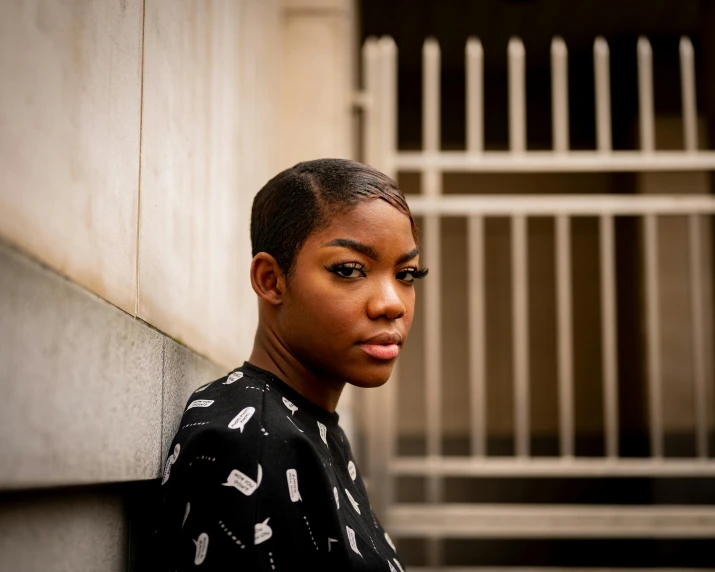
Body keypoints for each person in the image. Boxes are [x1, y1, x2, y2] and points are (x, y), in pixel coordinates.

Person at [154, 158, 427, 571]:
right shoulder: (254, 445)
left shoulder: (303, 422)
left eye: (407, 274)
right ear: (270, 280)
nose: (391, 303)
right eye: (350, 270)